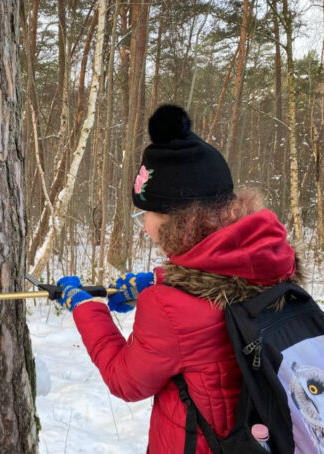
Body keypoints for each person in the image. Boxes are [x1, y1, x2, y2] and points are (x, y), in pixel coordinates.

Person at [55, 104, 301, 453]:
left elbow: (126, 380)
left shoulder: (170, 308)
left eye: (146, 213)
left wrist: (86, 308)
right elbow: (213, 290)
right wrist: (157, 281)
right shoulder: (274, 264)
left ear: (179, 220)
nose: (143, 225)